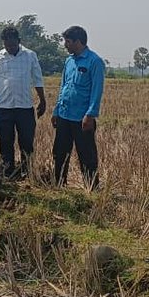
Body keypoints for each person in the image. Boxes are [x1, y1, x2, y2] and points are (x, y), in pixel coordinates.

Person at [0, 27, 46, 178]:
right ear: (3, 43)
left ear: (18, 41)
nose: (10, 48)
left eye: (12, 44)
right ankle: (8, 171)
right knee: (5, 141)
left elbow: (37, 79)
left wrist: (42, 100)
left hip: (25, 107)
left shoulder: (30, 56)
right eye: (7, 45)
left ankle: (27, 171)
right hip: (4, 107)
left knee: (26, 141)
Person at [51, 25, 105, 189]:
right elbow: (63, 86)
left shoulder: (94, 61)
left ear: (78, 41)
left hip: (82, 118)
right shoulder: (69, 61)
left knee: (87, 155)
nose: (65, 45)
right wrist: (56, 110)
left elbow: (97, 90)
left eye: (68, 42)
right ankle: (59, 185)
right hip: (64, 114)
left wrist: (90, 114)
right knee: (59, 153)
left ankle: (91, 188)